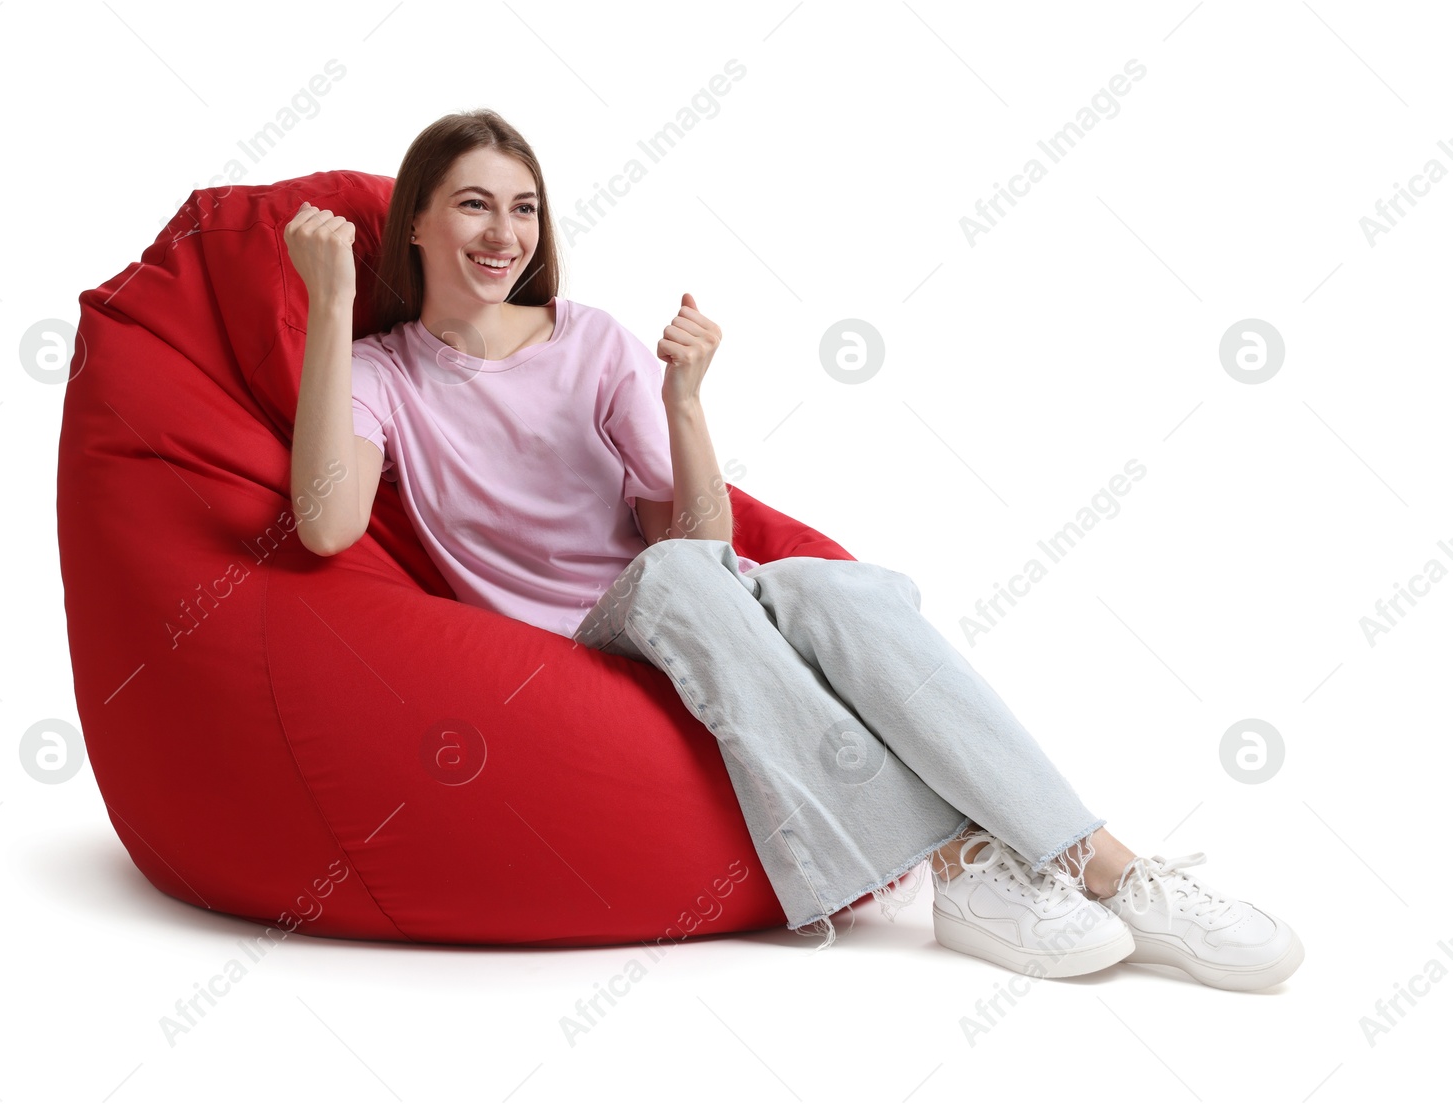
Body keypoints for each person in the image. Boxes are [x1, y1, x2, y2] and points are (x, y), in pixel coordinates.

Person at [284, 108, 1303, 991]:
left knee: (835, 589)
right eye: (472, 204)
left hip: (687, 597)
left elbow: (710, 546)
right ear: (414, 220)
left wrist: (683, 403)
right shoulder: (382, 373)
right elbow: (327, 525)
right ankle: (954, 863)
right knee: (683, 576)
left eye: (523, 207)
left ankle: (1109, 864)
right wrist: (332, 304)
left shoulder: (588, 340)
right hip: (573, 644)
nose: (503, 232)